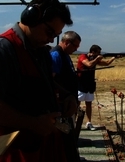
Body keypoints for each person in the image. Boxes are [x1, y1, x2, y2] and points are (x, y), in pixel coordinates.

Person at [0, 0, 77, 162]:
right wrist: (32, 123)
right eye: (49, 32)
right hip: (17, 151)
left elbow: (45, 82)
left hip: (42, 147)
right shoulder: (5, 50)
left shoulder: (40, 51)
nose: (51, 40)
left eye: (55, 36)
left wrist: (67, 96)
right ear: (31, 17)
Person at [50, 31, 81, 161]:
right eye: (75, 46)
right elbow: (51, 80)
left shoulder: (65, 54)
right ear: (67, 42)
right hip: (60, 105)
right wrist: (66, 95)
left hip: (68, 104)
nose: (76, 49)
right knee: (62, 140)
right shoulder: (56, 55)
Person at [77, 44, 118, 130]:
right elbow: (88, 65)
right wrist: (96, 59)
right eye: (98, 53)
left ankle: (88, 123)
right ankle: (73, 122)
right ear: (93, 52)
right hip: (81, 84)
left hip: (90, 84)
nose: (99, 54)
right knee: (77, 104)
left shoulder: (94, 59)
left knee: (89, 104)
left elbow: (106, 63)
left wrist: (114, 57)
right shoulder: (83, 56)